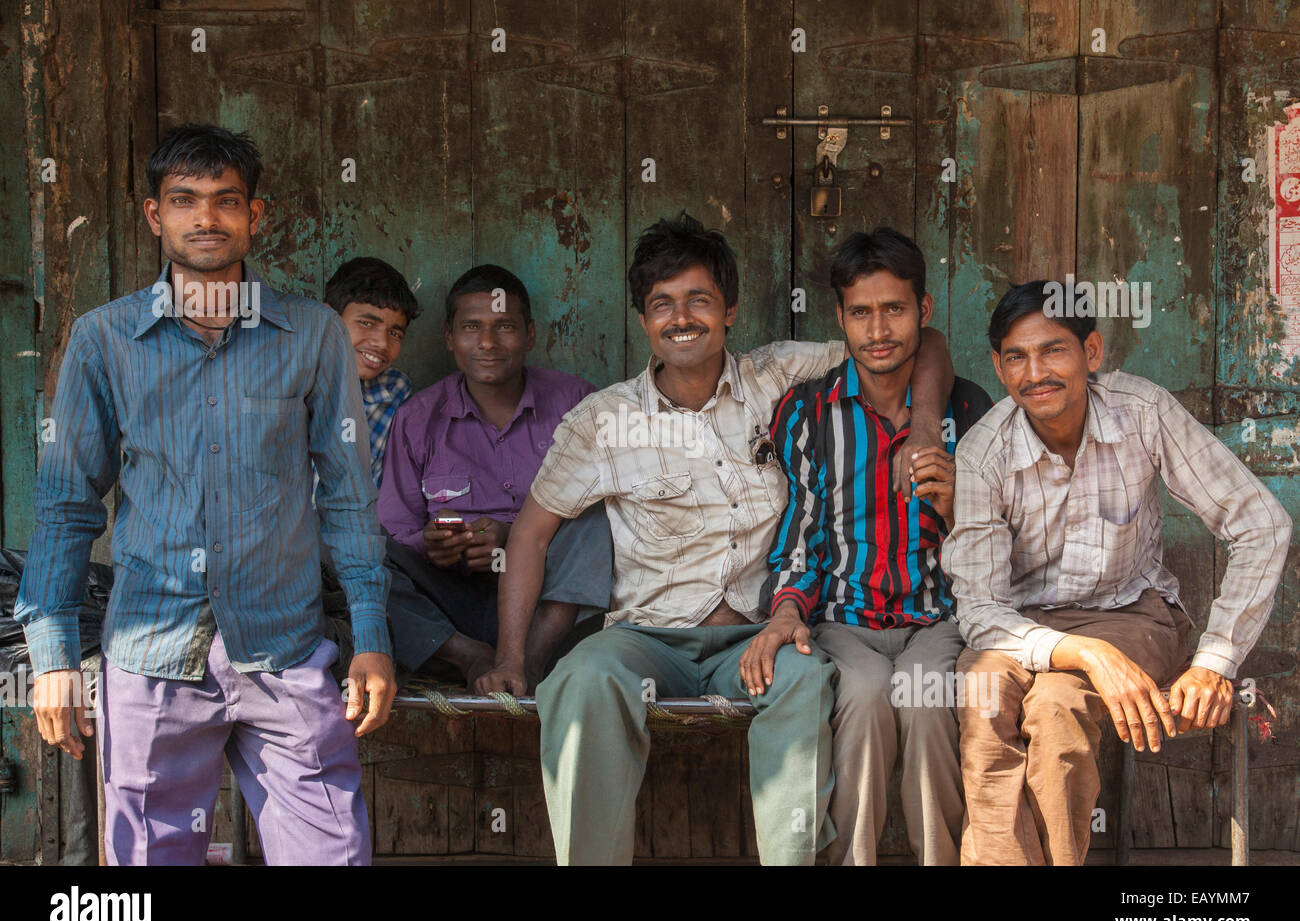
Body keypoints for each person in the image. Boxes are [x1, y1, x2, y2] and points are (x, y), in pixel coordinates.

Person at [478, 212, 956, 865]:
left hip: (759, 636)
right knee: (578, 681)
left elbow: (915, 341)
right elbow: (530, 537)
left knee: (807, 676)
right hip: (646, 636)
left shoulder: (777, 375)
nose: (681, 318)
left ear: (729, 310)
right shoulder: (604, 421)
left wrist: (926, 424)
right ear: (643, 321)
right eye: (661, 305)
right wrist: (511, 658)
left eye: (699, 300)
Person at [15, 124, 394, 865]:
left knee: (331, 855)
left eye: (226, 201)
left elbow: (349, 500)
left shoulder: (313, 335)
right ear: (157, 216)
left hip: (284, 652)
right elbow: (66, 504)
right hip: (150, 651)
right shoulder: (106, 340)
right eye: (184, 200)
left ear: (257, 217)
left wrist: (372, 635)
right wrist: (53, 654)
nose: (206, 218)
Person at [945, 279, 1292, 865]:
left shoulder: (1142, 412)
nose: (1036, 372)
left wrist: (1214, 661)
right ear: (1001, 371)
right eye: (1016, 357)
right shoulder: (984, 453)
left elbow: (1262, 523)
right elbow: (979, 608)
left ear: (1093, 353)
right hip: (1019, 627)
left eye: (1054, 349)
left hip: (1131, 613)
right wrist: (1085, 654)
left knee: (1056, 711)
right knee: (982, 701)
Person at [761, 228, 992, 865]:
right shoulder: (808, 411)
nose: (878, 329)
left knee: (923, 701)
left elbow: (994, 541)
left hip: (938, 619)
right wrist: (788, 609)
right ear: (840, 317)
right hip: (842, 619)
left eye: (895, 308)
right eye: (861, 312)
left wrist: (954, 508)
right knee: (861, 697)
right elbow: (802, 531)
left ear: (924, 310)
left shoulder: (969, 410)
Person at [379, 265, 612, 687]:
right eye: (471, 327)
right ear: (450, 338)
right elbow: (397, 527)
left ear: (530, 335)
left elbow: (602, 520)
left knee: (599, 518)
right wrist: (434, 547)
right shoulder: (417, 419)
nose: (487, 342)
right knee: (365, 552)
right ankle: (469, 658)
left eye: (505, 326)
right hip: (453, 606)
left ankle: (527, 663)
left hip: (553, 603)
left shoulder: (577, 403)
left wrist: (512, 534)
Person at [323, 256, 420, 486]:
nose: (382, 344)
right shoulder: (283, 383)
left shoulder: (394, 391)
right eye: (366, 323)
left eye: (395, 333)